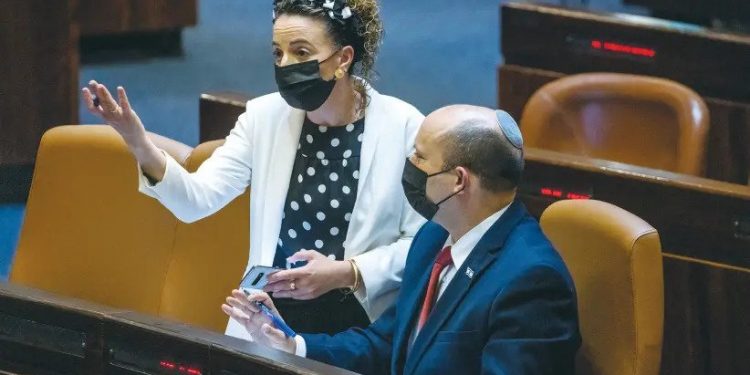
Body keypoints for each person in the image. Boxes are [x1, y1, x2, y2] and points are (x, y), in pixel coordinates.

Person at [81, 0, 425, 337]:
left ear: (343, 59)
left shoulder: (404, 127)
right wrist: (137, 140)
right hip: (270, 320)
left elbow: (423, 244)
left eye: (301, 53)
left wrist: (346, 272)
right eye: (278, 53)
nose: (286, 65)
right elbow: (195, 200)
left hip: (361, 326)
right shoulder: (263, 117)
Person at [223, 105, 581, 374]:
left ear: (459, 181)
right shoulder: (434, 236)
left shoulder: (531, 281)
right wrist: (292, 344)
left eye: (419, 156)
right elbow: (388, 343)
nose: (408, 164)